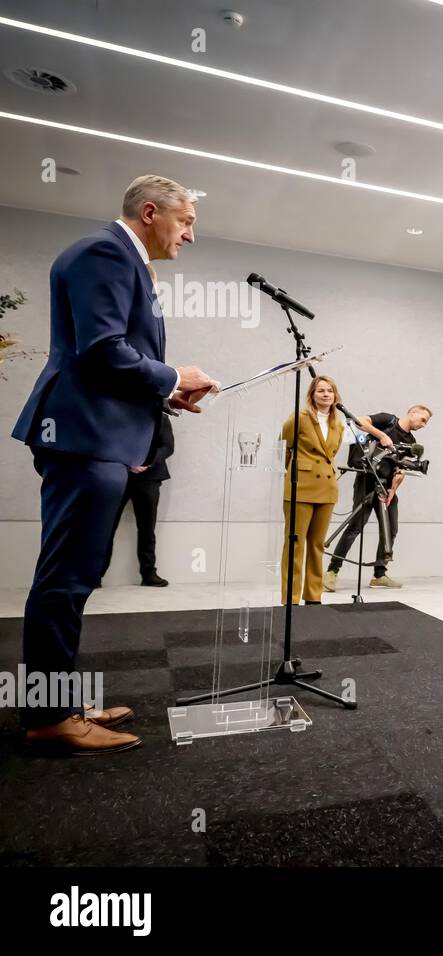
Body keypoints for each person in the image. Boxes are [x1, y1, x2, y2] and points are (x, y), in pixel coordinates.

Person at [11, 175, 217, 755]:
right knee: (65, 579)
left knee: (76, 577)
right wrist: (174, 375)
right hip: (83, 436)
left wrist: (164, 394)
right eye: (185, 223)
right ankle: (50, 718)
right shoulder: (104, 251)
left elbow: (113, 356)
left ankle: (61, 702)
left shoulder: (120, 259)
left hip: (99, 435)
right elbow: (101, 351)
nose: (190, 236)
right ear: (150, 212)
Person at [323, 403, 431, 592]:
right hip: (367, 481)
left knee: (390, 530)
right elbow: (359, 422)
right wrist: (382, 435)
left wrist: (393, 490)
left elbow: (401, 470)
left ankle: (379, 575)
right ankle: (332, 572)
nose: (424, 425)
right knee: (355, 527)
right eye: (423, 419)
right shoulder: (388, 420)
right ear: (412, 412)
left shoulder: (410, 441)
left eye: (426, 422)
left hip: (387, 488)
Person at [282, 375, 344, 605]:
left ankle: (313, 596)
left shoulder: (338, 423)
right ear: (312, 395)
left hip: (327, 488)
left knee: (317, 545)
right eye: (320, 391)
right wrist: (293, 471)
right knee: (295, 543)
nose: (326, 394)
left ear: (335, 395)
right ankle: (290, 597)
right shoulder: (299, 418)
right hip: (301, 487)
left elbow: (333, 453)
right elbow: (284, 445)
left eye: (330, 390)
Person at [103, 412, 174, 587]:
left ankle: (149, 574)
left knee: (147, 528)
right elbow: (107, 441)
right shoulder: (118, 413)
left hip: (150, 478)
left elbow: (167, 447)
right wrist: (127, 462)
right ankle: (95, 574)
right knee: (106, 528)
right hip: (118, 475)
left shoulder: (161, 418)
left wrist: (146, 462)